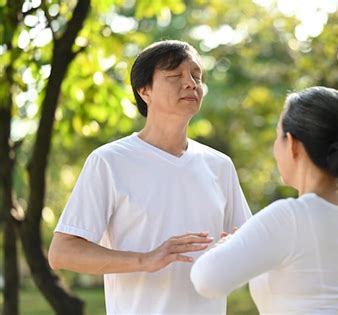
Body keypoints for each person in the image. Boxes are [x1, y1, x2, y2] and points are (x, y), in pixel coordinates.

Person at [48, 40, 251, 314]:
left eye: (196, 76)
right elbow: (62, 253)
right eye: (175, 76)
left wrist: (236, 250)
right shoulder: (109, 161)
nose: (190, 83)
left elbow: (248, 247)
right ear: (144, 91)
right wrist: (146, 259)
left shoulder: (219, 165)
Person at [191, 86, 338, 314]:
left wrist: (234, 244)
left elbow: (205, 280)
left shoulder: (289, 217)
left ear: (292, 144)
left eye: (277, 136)